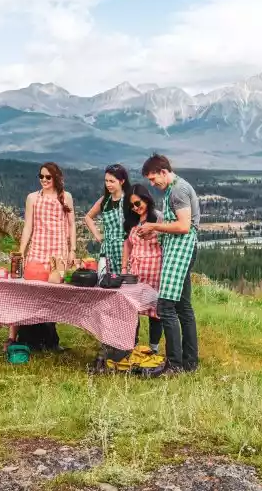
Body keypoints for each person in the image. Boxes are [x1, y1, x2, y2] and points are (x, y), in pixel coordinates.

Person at [138, 154, 200, 374]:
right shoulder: (173, 189)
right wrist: (154, 232)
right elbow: (175, 224)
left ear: (163, 172)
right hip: (180, 249)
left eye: (153, 179)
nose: (152, 184)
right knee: (183, 307)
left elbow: (183, 226)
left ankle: (174, 365)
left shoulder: (178, 190)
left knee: (165, 306)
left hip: (181, 250)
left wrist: (154, 227)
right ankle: (190, 362)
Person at [8, 162, 76, 352]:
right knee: (31, 292)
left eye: (48, 177)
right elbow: (28, 225)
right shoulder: (32, 197)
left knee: (53, 294)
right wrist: (21, 251)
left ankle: (50, 338)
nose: (44, 180)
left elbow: (71, 225)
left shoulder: (66, 197)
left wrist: (72, 250)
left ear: (56, 178)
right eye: (41, 176)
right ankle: (27, 336)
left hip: (58, 251)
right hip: (37, 249)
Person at [121, 184, 164, 354]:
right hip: (135, 270)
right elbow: (127, 244)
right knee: (132, 308)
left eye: (138, 203)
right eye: (131, 205)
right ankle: (132, 345)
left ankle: (154, 348)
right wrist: (124, 268)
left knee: (155, 310)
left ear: (146, 199)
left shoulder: (158, 217)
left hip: (155, 269)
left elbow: (166, 241)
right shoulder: (131, 221)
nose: (135, 208)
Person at [84, 164, 134, 275]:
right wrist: (98, 235)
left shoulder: (129, 200)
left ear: (122, 181)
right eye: (106, 181)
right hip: (108, 250)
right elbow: (88, 217)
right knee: (107, 280)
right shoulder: (104, 200)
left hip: (125, 248)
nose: (108, 184)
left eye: (112, 181)